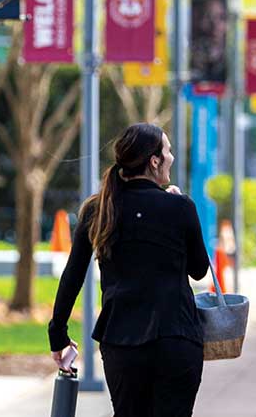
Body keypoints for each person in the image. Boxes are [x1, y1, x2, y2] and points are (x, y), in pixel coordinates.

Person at [48, 123, 211, 417]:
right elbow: (199, 270)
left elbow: (73, 275)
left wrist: (57, 334)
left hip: (121, 340)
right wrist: (178, 212)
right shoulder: (180, 207)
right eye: (168, 150)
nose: (172, 157)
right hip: (176, 338)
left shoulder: (98, 210)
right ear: (155, 160)